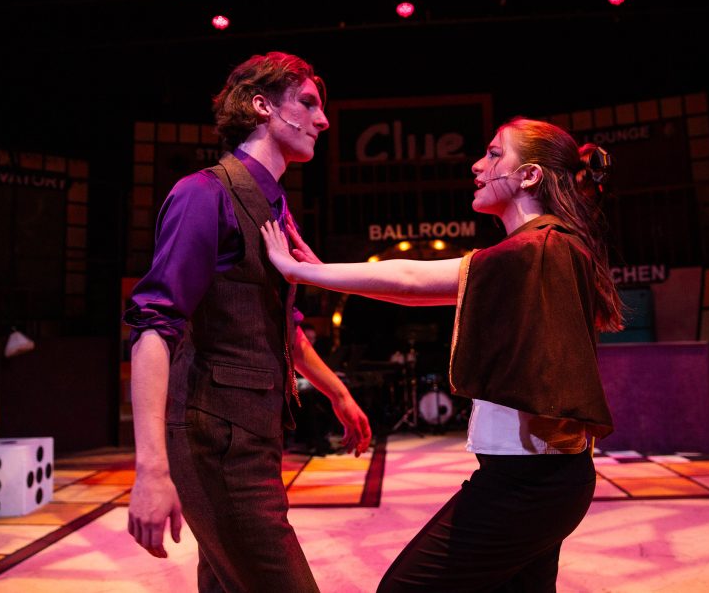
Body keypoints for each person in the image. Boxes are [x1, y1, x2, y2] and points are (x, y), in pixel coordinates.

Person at [261, 118, 622, 592]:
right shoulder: (539, 249)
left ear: (530, 175)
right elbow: (415, 292)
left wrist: (300, 272)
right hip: (541, 477)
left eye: (494, 154)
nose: (478, 165)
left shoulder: (538, 249)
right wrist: (322, 271)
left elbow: (412, 281)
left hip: (530, 481)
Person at [124, 51, 372, 593]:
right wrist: (151, 469)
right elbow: (153, 327)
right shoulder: (204, 193)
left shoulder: (274, 206)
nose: (323, 120)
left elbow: (280, 327)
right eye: (308, 103)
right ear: (262, 106)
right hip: (215, 437)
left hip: (253, 435)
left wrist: (338, 393)